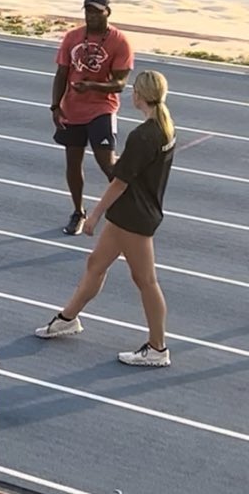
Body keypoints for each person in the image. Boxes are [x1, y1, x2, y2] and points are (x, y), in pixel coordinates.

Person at [35, 70, 176, 367]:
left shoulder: (143, 135)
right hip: (135, 210)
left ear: (139, 95)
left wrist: (94, 215)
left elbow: (120, 181)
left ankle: (157, 348)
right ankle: (67, 318)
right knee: (96, 264)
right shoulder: (165, 127)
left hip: (132, 216)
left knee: (146, 281)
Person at [50, 0, 134, 235]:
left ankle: (127, 209)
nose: (92, 16)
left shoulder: (120, 42)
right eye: (88, 11)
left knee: (106, 162)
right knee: (73, 162)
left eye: (97, 11)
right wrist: (55, 106)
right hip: (73, 109)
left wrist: (92, 86)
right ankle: (78, 212)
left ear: (108, 12)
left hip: (102, 108)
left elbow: (119, 84)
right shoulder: (72, 37)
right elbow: (62, 73)